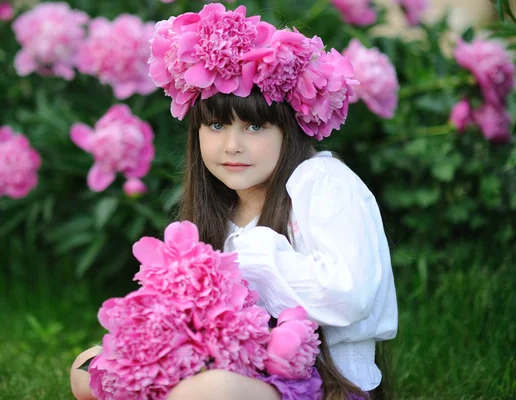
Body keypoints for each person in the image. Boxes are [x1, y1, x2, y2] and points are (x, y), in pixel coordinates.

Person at [71, 4, 398, 399]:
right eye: (216, 124)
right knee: (89, 368)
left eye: (255, 126)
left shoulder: (322, 182)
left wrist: (258, 258)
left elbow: (350, 296)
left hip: (320, 384)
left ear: (289, 130)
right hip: (237, 371)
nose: (232, 145)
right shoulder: (221, 209)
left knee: (207, 392)